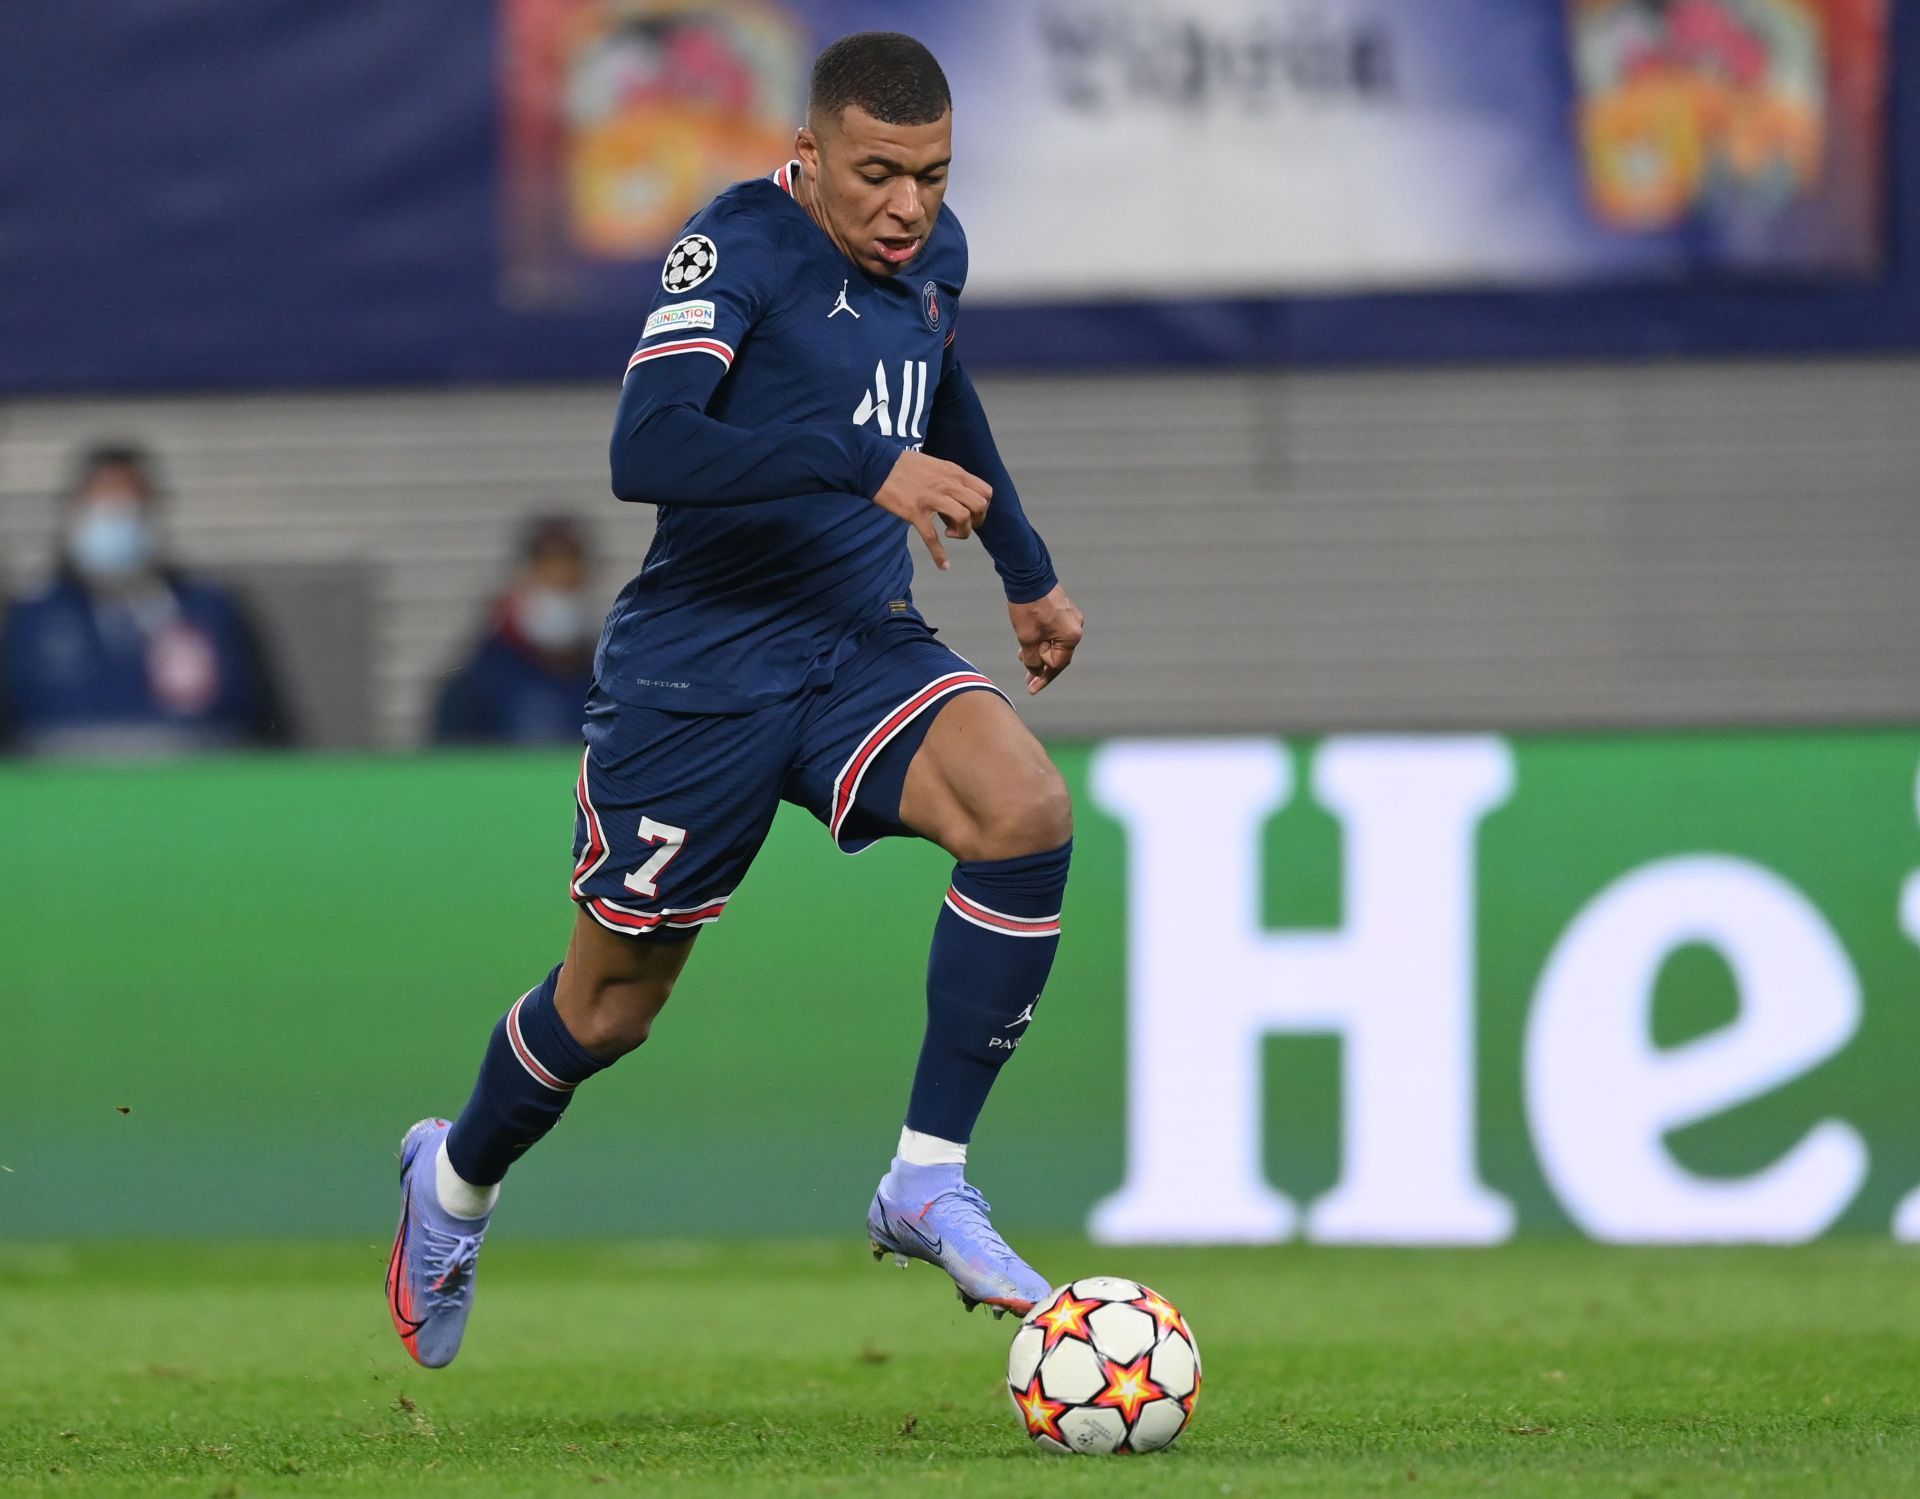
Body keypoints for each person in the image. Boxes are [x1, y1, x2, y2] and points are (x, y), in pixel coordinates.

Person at [387, 31, 1085, 1369]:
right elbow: (645, 448)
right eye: (877, 174)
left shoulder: (932, 256)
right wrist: (861, 461)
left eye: (932, 176)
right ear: (809, 154)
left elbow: (942, 383)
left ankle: (927, 1178)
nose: (907, 207)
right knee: (610, 1009)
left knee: (1025, 807)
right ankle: (455, 1173)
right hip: (697, 671)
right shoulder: (738, 245)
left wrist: (1028, 570)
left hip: (853, 641)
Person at [0, 442, 288, 756]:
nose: (116, 521)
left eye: (130, 506)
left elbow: (268, 725)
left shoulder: (212, 611)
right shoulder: (30, 620)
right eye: (103, 505)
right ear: (73, 513)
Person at [432, 514, 599, 746]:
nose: (560, 591)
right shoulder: (478, 684)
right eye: (550, 579)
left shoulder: (604, 679)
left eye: (569, 582)